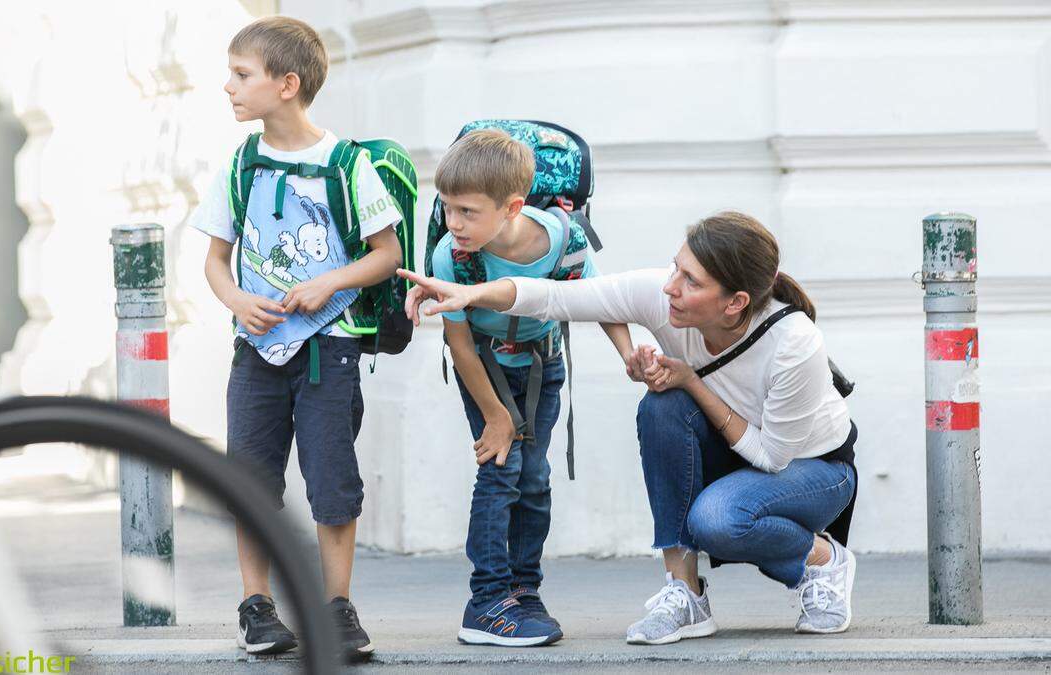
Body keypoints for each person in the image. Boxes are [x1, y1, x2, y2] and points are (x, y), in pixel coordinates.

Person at [400, 211, 858, 645]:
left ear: (735, 303)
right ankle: (686, 595)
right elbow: (559, 297)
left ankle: (823, 561)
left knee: (718, 519)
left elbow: (772, 456)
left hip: (812, 472)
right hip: (735, 455)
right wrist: (470, 294)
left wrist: (691, 380)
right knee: (661, 407)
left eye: (690, 280)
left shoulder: (794, 343)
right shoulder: (664, 298)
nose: (670, 287)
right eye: (676, 268)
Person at [188, 16, 402, 660]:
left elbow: (386, 254)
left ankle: (337, 609)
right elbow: (215, 260)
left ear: (287, 84)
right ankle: (258, 608)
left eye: (241, 74)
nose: (228, 86)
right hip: (254, 352)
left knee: (332, 481)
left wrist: (328, 281)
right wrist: (235, 300)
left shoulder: (347, 165)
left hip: (328, 349)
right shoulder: (240, 164)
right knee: (251, 480)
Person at [420, 129, 633, 647]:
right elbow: (461, 346)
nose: (453, 224)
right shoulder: (453, 255)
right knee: (502, 471)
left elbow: (600, 298)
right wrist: (495, 415)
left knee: (534, 480)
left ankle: (523, 590)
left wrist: (630, 357)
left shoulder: (563, 239)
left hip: (542, 367)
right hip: (486, 371)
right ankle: (487, 600)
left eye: (468, 212)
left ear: (512, 206)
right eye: (447, 208)